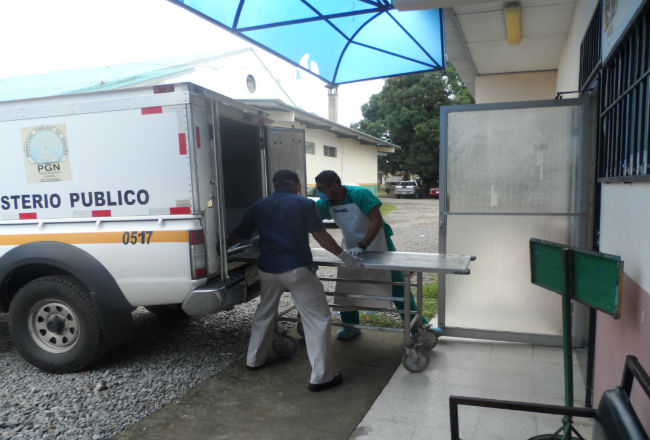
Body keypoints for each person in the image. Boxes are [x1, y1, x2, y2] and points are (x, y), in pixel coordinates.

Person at [227, 169, 362, 392]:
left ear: (275, 185)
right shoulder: (304, 204)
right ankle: (321, 377)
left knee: (265, 312)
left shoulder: (259, 206)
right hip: (297, 269)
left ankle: (254, 360)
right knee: (317, 318)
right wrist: (345, 257)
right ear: (294, 184)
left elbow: (239, 234)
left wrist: (220, 250)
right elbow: (321, 236)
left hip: (267, 270)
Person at [314, 170, 438, 340]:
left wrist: (362, 246)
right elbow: (312, 221)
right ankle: (350, 327)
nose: (320, 193)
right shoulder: (325, 203)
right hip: (351, 249)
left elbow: (376, 220)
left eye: (322, 189)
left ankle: (418, 328)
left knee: (397, 285)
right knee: (347, 288)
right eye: (318, 189)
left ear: (335, 185)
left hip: (380, 244)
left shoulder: (359, 194)